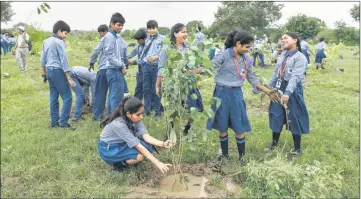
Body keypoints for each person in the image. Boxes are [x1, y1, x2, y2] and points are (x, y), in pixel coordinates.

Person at [206, 29, 280, 165]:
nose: (249, 50)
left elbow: (252, 78)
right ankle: (225, 155)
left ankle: (242, 158)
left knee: (239, 126)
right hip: (221, 93)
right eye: (247, 47)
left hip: (236, 95)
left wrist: (267, 91)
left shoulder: (248, 59)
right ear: (238, 44)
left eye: (250, 47)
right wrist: (191, 71)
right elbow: (208, 67)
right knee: (222, 127)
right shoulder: (223, 55)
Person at [98, 96, 174, 172]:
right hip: (109, 148)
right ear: (128, 114)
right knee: (140, 156)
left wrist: (163, 144)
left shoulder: (136, 118)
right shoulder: (118, 124)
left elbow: (146, 137)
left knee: (148, 146)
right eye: (138, 114)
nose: (141, 117)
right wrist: (158, 163)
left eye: (142, 114)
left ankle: (128, 158)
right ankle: (118, 165)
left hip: (121, 143)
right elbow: (139, 146)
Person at [265, 32, 309, 157]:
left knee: (294, 117)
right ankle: (274, 144)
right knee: (276, 114)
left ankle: (297, 148)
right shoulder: (283, 55)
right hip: (278, 88)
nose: (283, 40)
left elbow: (295, 77)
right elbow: (275, 74)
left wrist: (288, 93)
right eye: (282, 38)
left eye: (286, 38)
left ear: (295, 40)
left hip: (293, 90)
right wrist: (267, 88)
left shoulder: (300, 58)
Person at [157, 23, 204, 137]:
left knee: (191, 109)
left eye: (186, 32)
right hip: (172, 85)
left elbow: (200, 67)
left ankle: (186, 130)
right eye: (183, 32)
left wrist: (190, 72)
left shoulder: (190, 49)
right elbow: (161, 68)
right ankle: (169, 134)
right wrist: (157, 85)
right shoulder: (167, 49)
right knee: (171, 110)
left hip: (188, 84)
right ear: (175, 34)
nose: (186, 34)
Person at [41, 20, 76, 130]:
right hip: (57, 71)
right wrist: (69, 77)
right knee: (67, 97)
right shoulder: (59, 42)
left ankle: (54, 122)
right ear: (59, 31)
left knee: (53, 97)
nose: (65, 36)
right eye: (65, 33)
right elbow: (64, 60)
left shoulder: (46, 41)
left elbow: (42, 60)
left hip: (49, 71)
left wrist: (44, 74)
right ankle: (63, 123)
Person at [103, 13, 128, 116]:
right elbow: (110, 56)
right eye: (118, 25)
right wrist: (121, 66)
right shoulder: (110, 37)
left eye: (122, 25)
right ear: (112, 24)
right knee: (117, 98)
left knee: (113, 97)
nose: (120, 27)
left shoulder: (115, 37)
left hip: (114, 70)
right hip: (114, 70)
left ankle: (110, 120)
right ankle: (116, 123)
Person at [139, 20, 165, 119]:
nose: (152, 30)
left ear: (157, 28)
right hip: (146, 66)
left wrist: (156, 57)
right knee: (146, 89)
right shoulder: (146, 40)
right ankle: (147, 110)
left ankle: (158, 112)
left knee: (156, 89)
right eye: (149, 29)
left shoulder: (162, 39)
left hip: (156, 67)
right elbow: (143, 52)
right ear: (147, 29)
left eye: (153, 28)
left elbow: (165, 52)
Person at [128, 28, 147, 101]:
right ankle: (136, 104)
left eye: (139, 40)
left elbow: (145, 60)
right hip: (140, 71)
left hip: (148, 71)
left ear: (145, 38)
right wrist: (124, 58)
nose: (138, 42)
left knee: (148, 89)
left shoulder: (148, 47)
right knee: (138, 88)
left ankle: (153, 107)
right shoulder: (138, 46)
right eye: (137, 40)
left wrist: (134, 62)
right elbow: (132, 53)